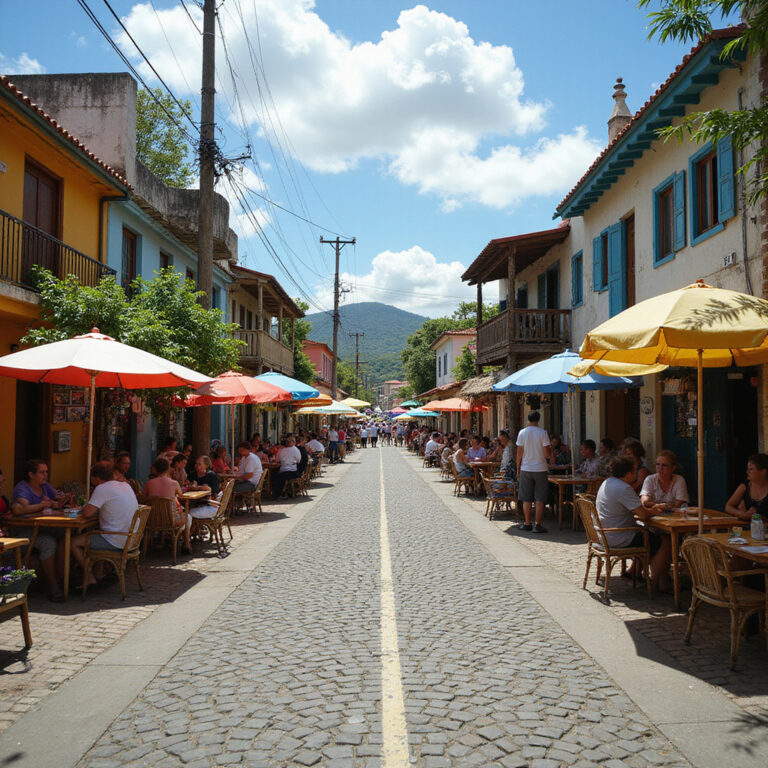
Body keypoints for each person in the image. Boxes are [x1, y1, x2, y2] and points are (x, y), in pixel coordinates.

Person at [596, 456, 672, 593]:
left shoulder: (607, 482)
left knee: (647, 535)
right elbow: (642, 514)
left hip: (605, 534)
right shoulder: (623, 488)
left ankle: (635, 572)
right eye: (635, 471)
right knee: (664, 540)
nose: (637, 474)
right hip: (619, 536)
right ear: (628, 474)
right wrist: (656, 509)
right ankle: (658, 582)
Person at [71, 462, 139, 587]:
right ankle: (99, 574)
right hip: (132, 539)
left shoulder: (102, 488)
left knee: (73, 543)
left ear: (96, 478)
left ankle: (89, 576)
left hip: (116, 539)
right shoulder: (125, 485)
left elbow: (87, 513)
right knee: (98, 531)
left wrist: (81, 507)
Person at [11, 459, 66, 601]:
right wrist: (42, 505)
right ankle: (53, 586)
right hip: (23, 532)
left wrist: (61, 500)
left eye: (46, 472)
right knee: (48, 542)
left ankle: (64, 578)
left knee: (65, 536)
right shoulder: (22, 488)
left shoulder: (45, 486)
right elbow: (21, 509)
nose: (45, 475)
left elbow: (57, 499)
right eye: (42, 472)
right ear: (31, 474)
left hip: (42, 527)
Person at [516, 412, 551, 533]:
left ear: (528, 419)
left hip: (526, 468)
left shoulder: (522, 433)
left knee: (526, 498)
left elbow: (519, 452)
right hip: (540, 468)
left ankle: (527, 523)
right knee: (539, 499)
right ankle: (538, 524)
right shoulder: (543, 433)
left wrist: (517, 468)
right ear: (538, 419)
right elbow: (547, 454)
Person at [726, 453, 768, 521]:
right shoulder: (744, 487)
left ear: (763, 472)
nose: (747, 472)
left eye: (751, 469)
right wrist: (741, 513)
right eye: (747, 469)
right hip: (749, 528)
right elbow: (728, 506)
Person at [187, 456, 223, 523]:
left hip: (209, 505)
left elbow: (215, 494)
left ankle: (193, 530)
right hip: (194, 502)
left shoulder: (211, 476)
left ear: (206, 465)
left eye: (199, 464)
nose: (197, 466)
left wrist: (198, 487)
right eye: (196, 464)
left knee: (188, 513)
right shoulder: (192, 475)